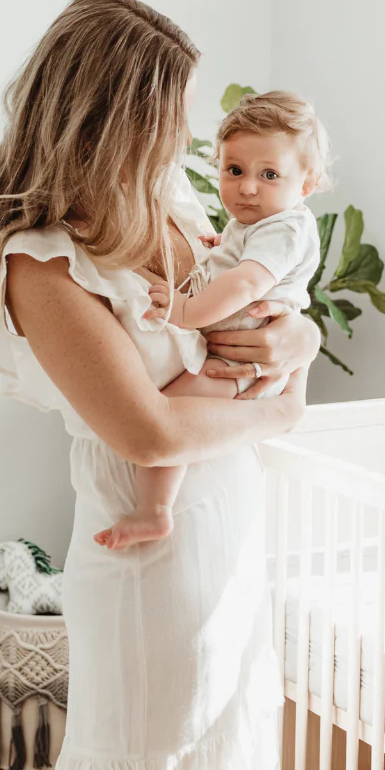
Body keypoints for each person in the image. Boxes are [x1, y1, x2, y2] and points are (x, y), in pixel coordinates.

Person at [0, 0, 317, 770]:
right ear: (117, 119)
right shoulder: (44, 264)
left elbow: (270, 313)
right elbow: (148, 430)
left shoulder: (179, 208)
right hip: (152, 561)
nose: (189, 137)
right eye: (172, 117)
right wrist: (281, 405)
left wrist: (299, 333)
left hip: (228, 525)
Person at [95, 91, 329, 550]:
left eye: (269, 175)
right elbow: (238, 258)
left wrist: (183, 312)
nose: (246, 187)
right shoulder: (258, 223)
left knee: (171, 414)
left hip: (234, 364)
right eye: (234, 170)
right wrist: (220, 241)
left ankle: (154, 512)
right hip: (235, 351)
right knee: (168, 414)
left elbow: (244, 285)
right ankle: (155, 509)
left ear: (306, 183)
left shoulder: (285, 228)